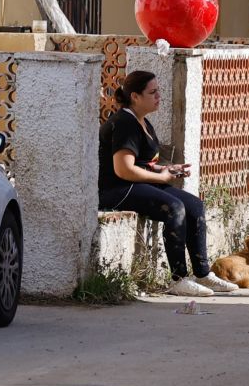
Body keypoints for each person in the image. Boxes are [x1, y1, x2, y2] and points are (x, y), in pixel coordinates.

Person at [98, 70, 237, 296]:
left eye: (158, 91)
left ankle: (202, 273)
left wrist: (165, 169)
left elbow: (142, 162)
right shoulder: (124, 123)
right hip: (117, 189)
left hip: (138, 183)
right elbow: (123, 169)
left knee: (194, 206)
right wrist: (161, 178)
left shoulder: (142, 121)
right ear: (135, 96)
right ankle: (178, 279)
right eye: (152, 92)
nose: (158, 96)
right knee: (174, 208)